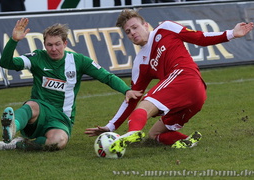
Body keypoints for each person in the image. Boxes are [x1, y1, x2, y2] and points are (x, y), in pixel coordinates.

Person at [85, 9, 254, 153]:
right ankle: (186, 140)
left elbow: (200, 37)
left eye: (135, 27)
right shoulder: (140, 62)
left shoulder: (165, 28)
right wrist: (110, 127)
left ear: (145, 26)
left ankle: (133, 132)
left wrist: (231, 34)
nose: (132, 33)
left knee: (145, 106)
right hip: (195, 95)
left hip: (184, 76)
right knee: (154, 135)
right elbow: (132, 97)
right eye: (128, 32)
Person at [0, 18, 142, 151]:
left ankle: (17, 144)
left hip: (61, 118)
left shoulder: (78, 61)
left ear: (65, 43)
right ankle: (13, 126)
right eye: (49, 45)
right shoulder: (37, 57)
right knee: (33, 105)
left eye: (57, 44)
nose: (53, 49)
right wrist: (14, 40)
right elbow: (6, 63)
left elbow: (106, 76)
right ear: (44, 45)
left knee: (58, 142)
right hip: (38, 112)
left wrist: (126, 90)